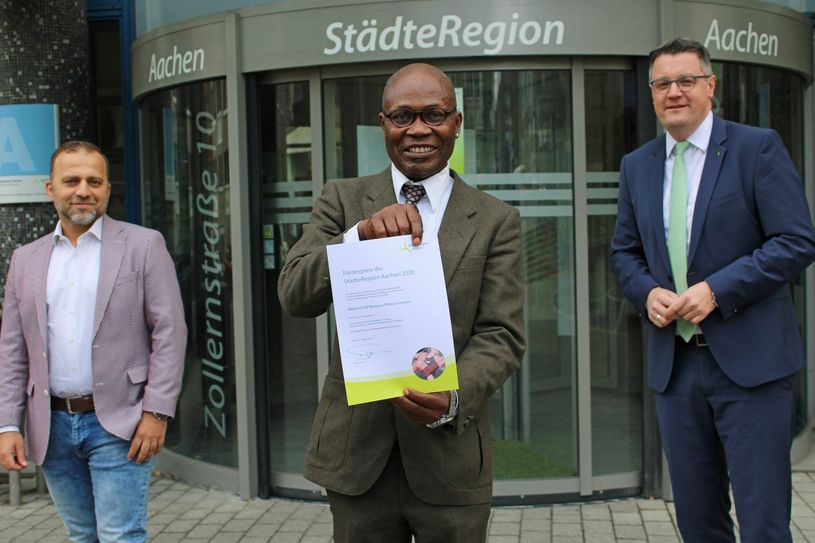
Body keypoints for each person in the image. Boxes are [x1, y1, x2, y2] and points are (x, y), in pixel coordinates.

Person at [277, 63, 525, 542]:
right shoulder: (342, 200)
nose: (418, 129)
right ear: (383, 123)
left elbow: (502, 334)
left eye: (434, 115)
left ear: (456, 123)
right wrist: (357, 238)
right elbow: (295, 294)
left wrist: (452, 397)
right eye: (403, 116)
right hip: (356, 457)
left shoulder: (495, 219)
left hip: (450, 457)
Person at [610, 38, 815, 542]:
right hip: (676, 368)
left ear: (710, 86)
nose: (673, 92)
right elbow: (624, 253)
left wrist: (717, 290)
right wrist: (646, 293)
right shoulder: (637, 165)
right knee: (699, 522)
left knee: (763, 521)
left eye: (685, 81)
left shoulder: (755, 147)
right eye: (662, 84)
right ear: (652, 93)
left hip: (752, 368)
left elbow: (796, 240)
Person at [0, 141, 187, 542]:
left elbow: (170, 332)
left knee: (121, 535)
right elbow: (13, 352)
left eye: (94, 181)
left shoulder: (143, 245)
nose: (83, 190)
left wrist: (157, 413)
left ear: (107, 189)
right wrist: (7, 424)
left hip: (120, 422)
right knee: (82, 535)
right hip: (50, 426)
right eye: (71, 181)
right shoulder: (25, 259)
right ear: (50, 189)